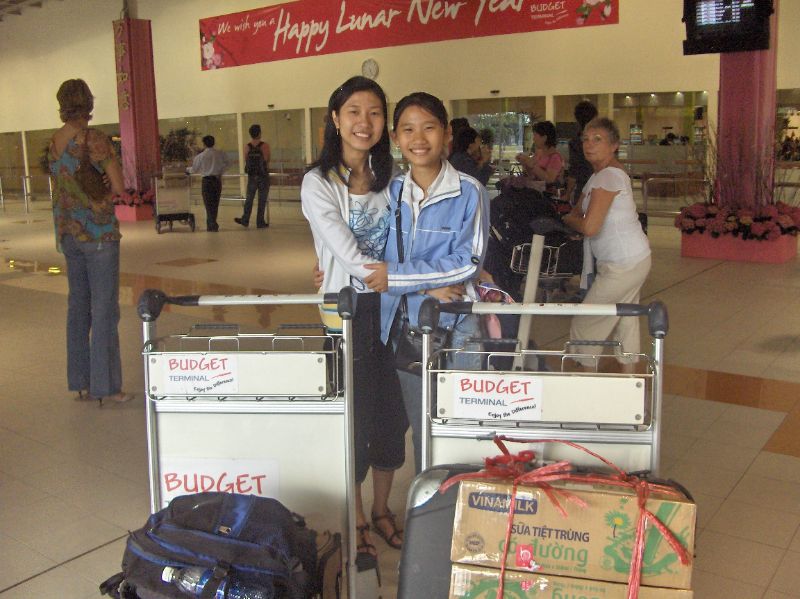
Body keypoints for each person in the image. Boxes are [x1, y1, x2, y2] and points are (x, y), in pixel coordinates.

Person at [301, 76, 408, 558]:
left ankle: (383, 509)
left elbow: (408, 239)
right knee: (356, 418)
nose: (365, 122)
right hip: (346, 312)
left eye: (375, 113)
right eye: (354, 112)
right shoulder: (318, 182)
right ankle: (358, 513)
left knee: (393, 416)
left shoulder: (393, 178)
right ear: (335, 119)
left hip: (393, 309)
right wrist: (408, 277)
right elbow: (345, 254)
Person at [377, 92, 489, 475]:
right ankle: (430, 499)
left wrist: (397, 276)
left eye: (429, 128)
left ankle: (464, 498)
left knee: (464, 426)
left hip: (459, 328)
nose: (419, 139)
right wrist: (424, 287)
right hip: (407, 329)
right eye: (408, 130)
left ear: (447, 134)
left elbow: (467, 262)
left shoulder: (469, 191)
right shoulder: (390, 193)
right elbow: (373, 261)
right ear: (395, 137)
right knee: (423, 429)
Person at [48, 79, 132, 404]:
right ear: (88, 103)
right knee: (104, 309)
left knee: (78, 307)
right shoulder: (95, 139)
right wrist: (105, 186)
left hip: (68, 233)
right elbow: (120, 186)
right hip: (98, 234)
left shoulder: (54, 142)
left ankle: (81, 382)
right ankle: (107, 386)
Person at [562, 118, 651, 369]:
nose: (589, 145)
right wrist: (575, 218)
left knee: (585, 321)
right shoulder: (598, 176)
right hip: (630, 259)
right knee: (625, 317)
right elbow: (579, 212)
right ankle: (630, 379)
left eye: (597, 139)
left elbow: (588, 225)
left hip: (624, 263)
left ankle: (586, 379)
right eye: (586, 140)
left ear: (614, 145)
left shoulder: (609, 176)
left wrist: (570, 219)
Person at [188, 135, 228, 231]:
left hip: (206, 182)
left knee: (208, 204)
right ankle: (211, 224)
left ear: (204, 144)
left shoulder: (200, 156)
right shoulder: (220, 153)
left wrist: (187, 170)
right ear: (213, 143)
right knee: (215, 203)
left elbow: (194, 169)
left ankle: (212, 225)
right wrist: (221, 171)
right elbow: (228, 163)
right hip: (217, 181)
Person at [235, 124, 271, 229]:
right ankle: (260, 222)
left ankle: (245, 219)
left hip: (252, 176)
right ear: (259, 133)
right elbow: (267, 160)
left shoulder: (247, 146)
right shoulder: (265, 146)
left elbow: (246, 160)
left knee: (249, 198)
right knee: (262, 200)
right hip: (263, 176)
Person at [516, 120, 564, 197]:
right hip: (534, 192)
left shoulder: (555, 157)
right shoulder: (539, 153)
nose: (533, 139)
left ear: (544, 138)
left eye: (535, 135)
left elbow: (549, 180)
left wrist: (532, 165)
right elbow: (532, 176)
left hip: (546, 196)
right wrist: (525, 163)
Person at [565, 100, 598, 205]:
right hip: (599, 186)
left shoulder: (575, 142)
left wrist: (567, 193)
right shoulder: (600, 140)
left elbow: (574, 171)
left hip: (582, 189)